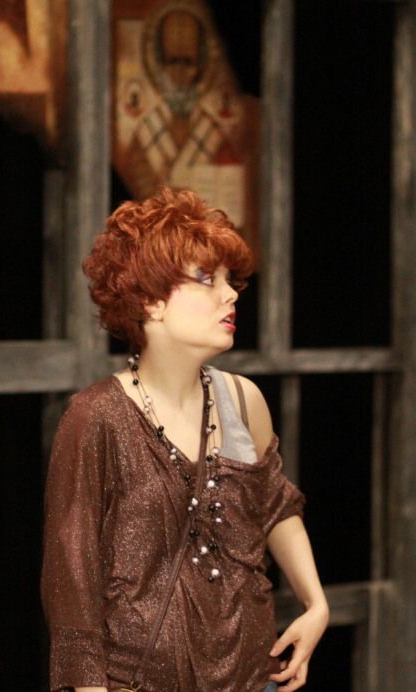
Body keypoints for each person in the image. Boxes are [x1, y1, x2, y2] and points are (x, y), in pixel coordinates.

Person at [41, 187, 329, 692]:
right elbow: (72, 573)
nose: (230, 294)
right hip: (138, 679)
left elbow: (275, 505)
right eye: (205, 278)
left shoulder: (242, 401)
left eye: (229, 280)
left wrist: (316, 603)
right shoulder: (96, 417)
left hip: (253, 674)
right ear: (150, 300)